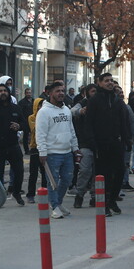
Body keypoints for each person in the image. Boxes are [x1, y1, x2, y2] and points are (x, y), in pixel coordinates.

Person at [85, 73, 129, 216]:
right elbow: (89, 123)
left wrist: (126, 139)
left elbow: (124, 121)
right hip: (100, 143)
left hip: (116, 142)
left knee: (120, 171)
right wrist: (92, 142)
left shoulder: (117, 100)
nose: (110, 83)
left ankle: (112, 199)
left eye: (111, 80)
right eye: (106, 81)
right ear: (99, 82)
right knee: (103, 175)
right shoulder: (95, 100)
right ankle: (103, 203)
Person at [36, 81, 80, 219]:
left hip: (67, 152)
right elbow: (40, 134)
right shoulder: (44, 112)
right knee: (53, 182)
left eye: (62, 91)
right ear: (50, 93)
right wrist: (42, 152)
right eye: (57, 91)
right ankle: (54, 206)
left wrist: (75, 148)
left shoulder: (66, 109)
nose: (61, 93)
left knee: (67, 179)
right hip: (52, 153)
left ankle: (58, 203)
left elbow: (71, 130)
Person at [71, 84, 97, 208]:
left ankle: (94, 196)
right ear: (86, 93)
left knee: (97, 173)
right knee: (85, 170)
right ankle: (80, 194)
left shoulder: (101, 103)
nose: (94, 93)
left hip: (99, 143)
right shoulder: (82, 103)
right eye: (92, 91)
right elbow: (72, 111)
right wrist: (80, 111)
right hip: (85, 143)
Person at [26, 97, 47, 204]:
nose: (41, 107)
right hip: (35, 147)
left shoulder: (46, 115)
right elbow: (36, 129)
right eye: (39, 105)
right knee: (33, 173)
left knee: (45, 172)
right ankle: (30, 194)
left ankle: (45, 192)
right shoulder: (31, 117)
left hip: (45, 147)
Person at [116, 86, 134, 193]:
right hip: (114, 140)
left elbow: (132, 122)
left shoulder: (126, 107)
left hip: (125, 139)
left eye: (122, 92)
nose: (121, 94)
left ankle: (124, 182)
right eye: (118, 92)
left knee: (125, 162)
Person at [18, 88, 33, 154]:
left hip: (32, 121)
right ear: (25, 93)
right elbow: (20, 112)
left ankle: (33, 149)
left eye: (29, 93)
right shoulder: (22, 102)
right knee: (26, 136)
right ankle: (26, 150)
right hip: (25, 121)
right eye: (27, 93)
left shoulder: (33, 101)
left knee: (33, 135)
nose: (28, 94)